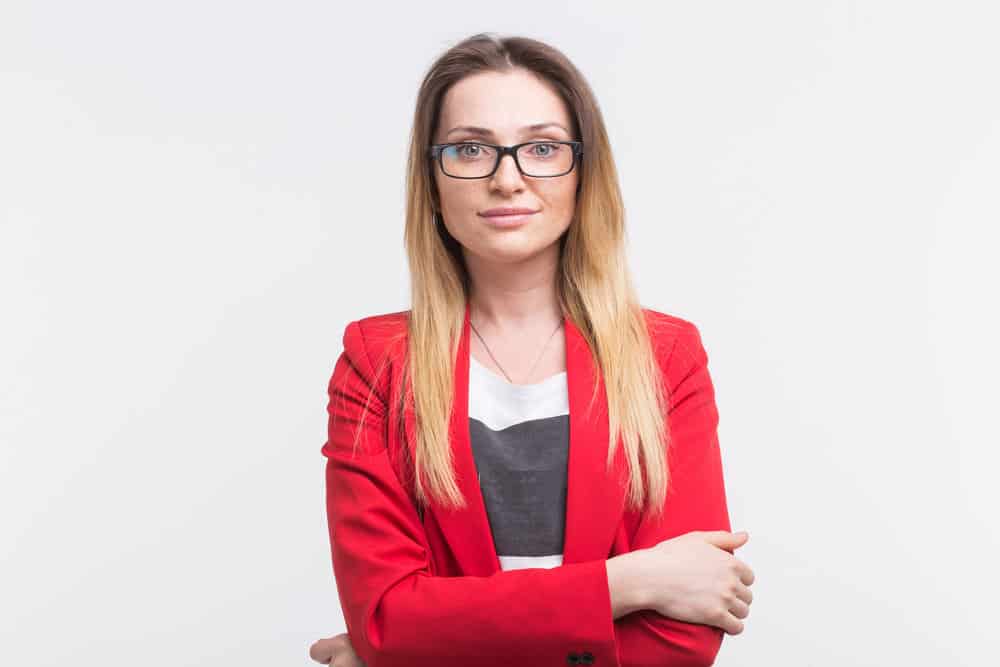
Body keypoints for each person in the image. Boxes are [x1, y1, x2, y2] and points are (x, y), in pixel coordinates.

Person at [309, 32, 754, 667]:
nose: (508, 178)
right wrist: (624, 584)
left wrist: (425, 650)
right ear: (432, 179)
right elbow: (388, 618)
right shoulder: (376, 361)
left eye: (542, 148)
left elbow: (679, 645)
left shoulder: (666, 356)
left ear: (583, 172)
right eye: (470, 149)